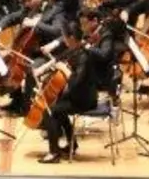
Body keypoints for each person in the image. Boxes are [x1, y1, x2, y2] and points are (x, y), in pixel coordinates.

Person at [37, 22, 118, 163]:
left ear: (73, 38)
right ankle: (71, 145)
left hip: (85, 100)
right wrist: (43, 69)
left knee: (49, 111)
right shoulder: (76, 50)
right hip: (78, 96)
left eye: (65, 37)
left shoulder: (84, 57)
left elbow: (75, 83)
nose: (64, 40)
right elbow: (60, 58)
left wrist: (65, 70)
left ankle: (53, 153)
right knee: (58, 107)